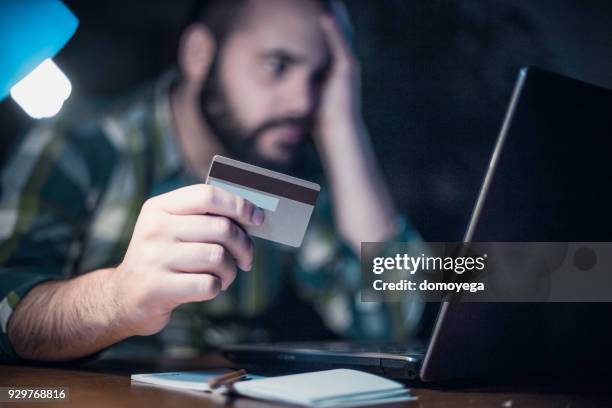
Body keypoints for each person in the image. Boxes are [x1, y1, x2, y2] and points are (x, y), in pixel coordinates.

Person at [0, 0, 422, 362]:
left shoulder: (284, 169)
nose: (303, 102)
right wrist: (118, 296)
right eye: (278, 66)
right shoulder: (80, 146)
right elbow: (5, 310)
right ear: (200, 55)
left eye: (319, 78)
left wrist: (342, 125)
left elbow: (394, 315)